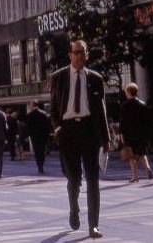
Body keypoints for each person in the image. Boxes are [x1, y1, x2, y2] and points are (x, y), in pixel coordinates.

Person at [49, 39, 110, 239]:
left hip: (89, 131)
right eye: (75, 52)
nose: (79, 56)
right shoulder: (58, 77)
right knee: (73, 178)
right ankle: (74, 209)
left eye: (82, 52)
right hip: (67, 132)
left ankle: (94, 225)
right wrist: (58, 128)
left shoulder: (95, 78)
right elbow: (54, 107)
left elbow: (101, 110)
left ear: (87, 54)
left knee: (93, 179)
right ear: (70, 55)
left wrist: (106, 138)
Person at [119, 83, 153, 182]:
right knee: (142, 153)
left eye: (126, 92)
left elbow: (123, 121)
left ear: (128, 92)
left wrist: (121, 134)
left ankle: (135, 176)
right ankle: (147, 167)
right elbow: (147, 120)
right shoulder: (142, 104)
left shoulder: (124, 106)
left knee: (131, 156)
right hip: (140, 133)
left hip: (129, 134)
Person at [27, 101, 52, 174]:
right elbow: (47, 126)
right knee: (42, 150)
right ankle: (42, 163)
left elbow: (28, 126)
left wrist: (29, 135)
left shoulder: (30, 114)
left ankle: (39, 166)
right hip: (42, 136)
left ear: (33, 105)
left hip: (34, 136)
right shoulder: (43, 114)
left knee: (37, 151)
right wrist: (47, 135)